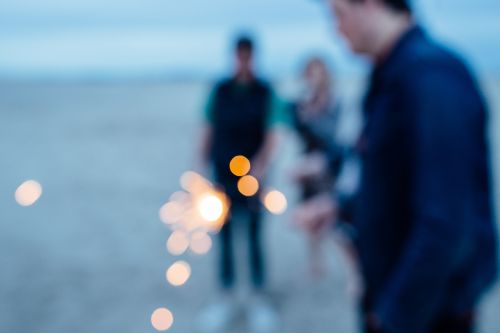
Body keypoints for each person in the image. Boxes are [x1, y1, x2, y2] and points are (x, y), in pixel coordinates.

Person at [303, 0, 498, 332]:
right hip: (387, 297)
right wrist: (342, 208)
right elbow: (392, 185)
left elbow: (446, 222)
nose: (335, 29)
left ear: (373, 5)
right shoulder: (387, 79)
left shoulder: (432, 78)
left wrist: (394, 317)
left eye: (339, 14)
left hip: (429, 317)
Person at [196, 35, 283, 333]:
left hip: (254, 177)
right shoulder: (220, 90)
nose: (243, 61)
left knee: (255, 234)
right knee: (224, 236)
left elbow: (273, 130)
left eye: (248, 55)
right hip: (221, 173)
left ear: (253, 57)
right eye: (239, 55)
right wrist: (200, 166)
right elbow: (207, 127)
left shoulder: (264, 91)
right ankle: (226, 296)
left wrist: (261, 165)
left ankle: (259, 298)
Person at [289, 57, 342, 278]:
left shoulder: (333, 103)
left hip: (329, 164)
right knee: (309, 210)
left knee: (333, 211)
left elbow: (334, 133)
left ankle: (341, 257)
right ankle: (316, 262)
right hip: (306, 165)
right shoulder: (303, 102)